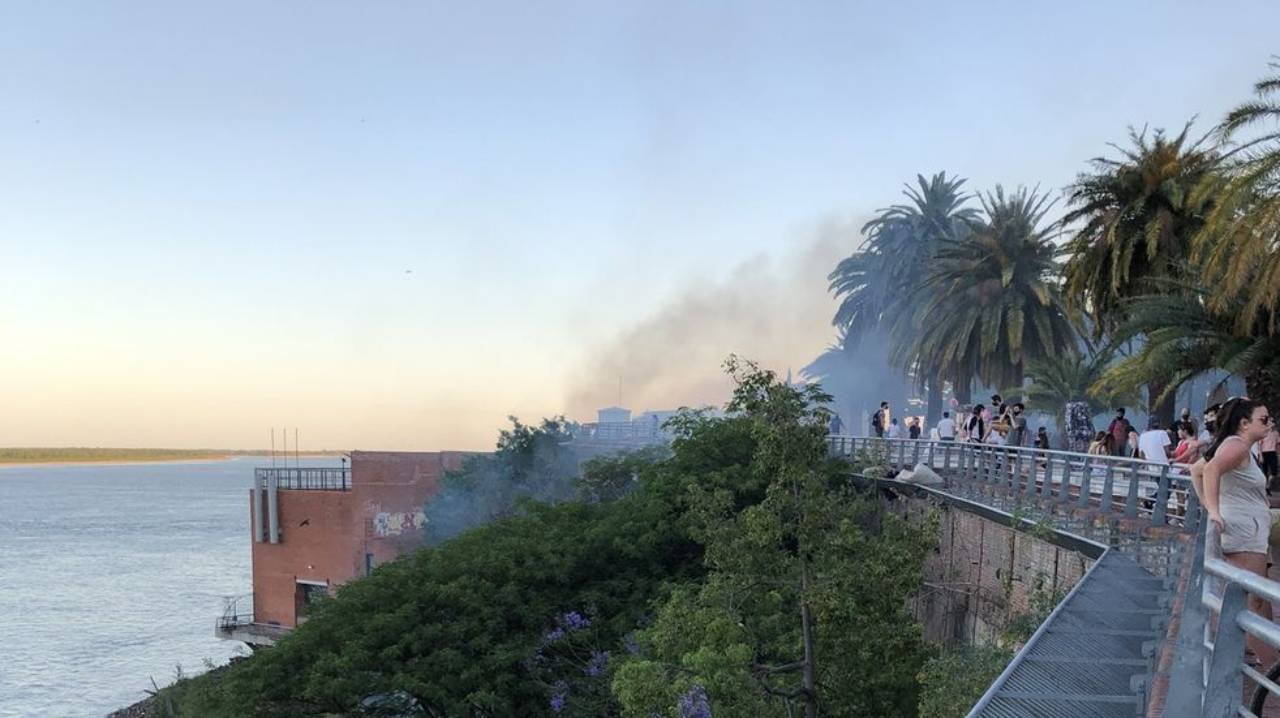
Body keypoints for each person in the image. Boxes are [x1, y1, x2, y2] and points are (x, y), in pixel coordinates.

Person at [1191, 397, 1276, 667]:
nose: (1269, 423)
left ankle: (1271, 664)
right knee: (1255, 604)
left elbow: (1199, 469)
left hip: (1250, 533)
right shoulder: (1237, 447)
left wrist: (1210, 505)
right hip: (1243, 536)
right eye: (1263, 419)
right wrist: (1213, 509)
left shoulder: (1239, 447)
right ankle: (1273, 672)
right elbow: (1211, 469)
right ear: (1243, 423)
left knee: (1260, 601)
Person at [1262, 420, 1279, 491]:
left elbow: (1278, 443)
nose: (1271, 423)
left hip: (1272, 452)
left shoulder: (1276, 433)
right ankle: (1264, 488)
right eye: (1270, 422)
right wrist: (1260, 455)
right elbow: (1259, 445)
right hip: (1264, 452)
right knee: (1264, 471)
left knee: (1274, 471)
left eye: (1272, 422)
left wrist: (1278, 453)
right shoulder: (1264, 433)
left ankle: (1268, 485)